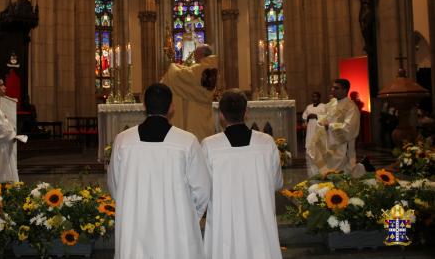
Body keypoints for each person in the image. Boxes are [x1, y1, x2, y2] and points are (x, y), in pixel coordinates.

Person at [107, 83, 210, 259]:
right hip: (176, 229)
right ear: (172, 107)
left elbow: (115, 186)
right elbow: (202, 190)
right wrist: (187, 215)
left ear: (144, 105)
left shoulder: (123, 141)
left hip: (135, 226)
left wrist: (133, 206)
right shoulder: (187, 141)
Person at [202, 89, 283, 259]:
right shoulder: (266, 142)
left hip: (224, 221)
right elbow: (276, 183)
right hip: (259, 219)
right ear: (246, 112)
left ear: (221, 115)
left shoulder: (210, 145)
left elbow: (204, 188)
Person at [161, 44, 218, 141]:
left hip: (197, 119)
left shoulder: (203, 68)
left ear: (201, 54)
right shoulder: (212, 67)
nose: (194, 56)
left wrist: (173, 67)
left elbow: (179, 76)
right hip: (204, 115)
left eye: (195, 53)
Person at [308, 79, 360, 176]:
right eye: (332, 87)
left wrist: (329, 126)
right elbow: (325, 117)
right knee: (325, 170)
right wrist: (321, 122)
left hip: (342, 147)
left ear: (345, 90)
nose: (332, 90)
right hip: (327, 143)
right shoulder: (332, 103)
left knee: (340, 174)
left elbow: (349, 128)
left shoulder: (351, 107)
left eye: (336, 88)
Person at [302, 92, 326, 177]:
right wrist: (308, 117)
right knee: (310, 145)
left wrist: (316, 115)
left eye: (316, 97)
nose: (314, 98)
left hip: (319, 127)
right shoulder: (309, 106)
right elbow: (304, 116)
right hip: (310, 127)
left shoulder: (323, 106)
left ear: (319, 97)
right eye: (313, 97)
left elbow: (326, 117)